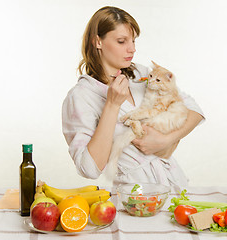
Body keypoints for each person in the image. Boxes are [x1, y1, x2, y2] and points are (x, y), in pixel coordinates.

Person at [62, 6, 205, 187]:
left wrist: (165, 140)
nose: (132, 49)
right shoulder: (81, 97)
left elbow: (193, 108)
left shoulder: (142, 75)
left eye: (133, 41)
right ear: (97, 42)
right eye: (122, 41)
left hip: (175, 183)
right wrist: (112, 105)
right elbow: (89, 169)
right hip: (133, 196)